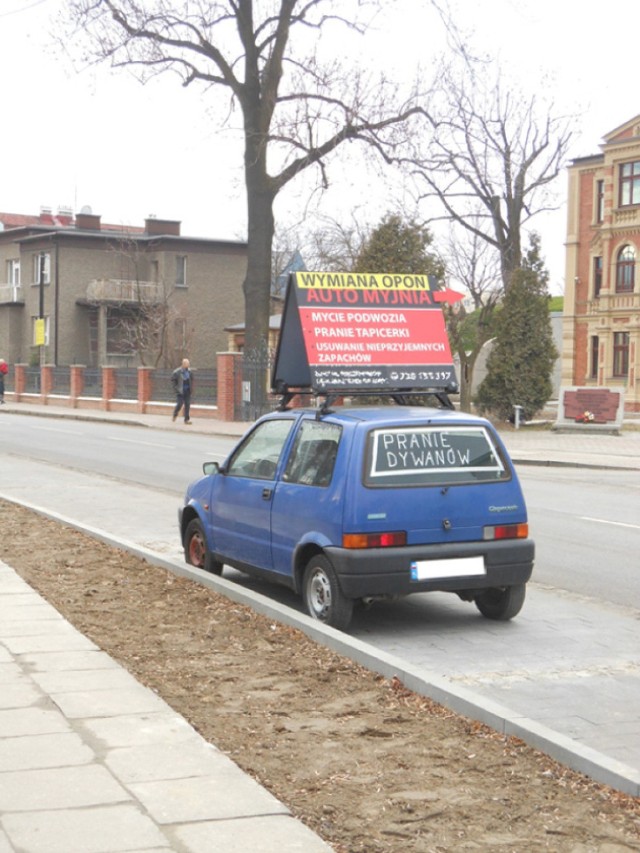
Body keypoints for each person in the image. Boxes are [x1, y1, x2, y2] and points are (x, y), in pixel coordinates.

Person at [171, 358, 194, 424]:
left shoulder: (189, 372)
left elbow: (191, 380)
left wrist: (191, 389)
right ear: (183, 364)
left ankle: (186, 420)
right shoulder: (177, 372)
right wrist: (176, 389)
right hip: (180, 391)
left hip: (187, 391)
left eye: (188, 363)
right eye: (187, 363)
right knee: (180, 404)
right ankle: (175, 414)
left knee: (187, 405)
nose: (188, 365)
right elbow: (173, 381)